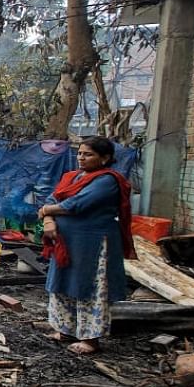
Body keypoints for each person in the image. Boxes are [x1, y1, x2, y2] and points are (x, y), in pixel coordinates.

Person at [38, 137, 136, 355]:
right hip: (67, 242)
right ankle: (65, 330)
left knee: (90, 288)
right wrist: (48, 219)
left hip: (92, 243)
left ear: (105, 158)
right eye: (80, 153)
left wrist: (47, 210)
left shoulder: (109, 180)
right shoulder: (72, 177)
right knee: (63, 283)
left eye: (88, 154)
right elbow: (52, 199)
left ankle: (91, 339)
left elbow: (77, 204)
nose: (81, 158)